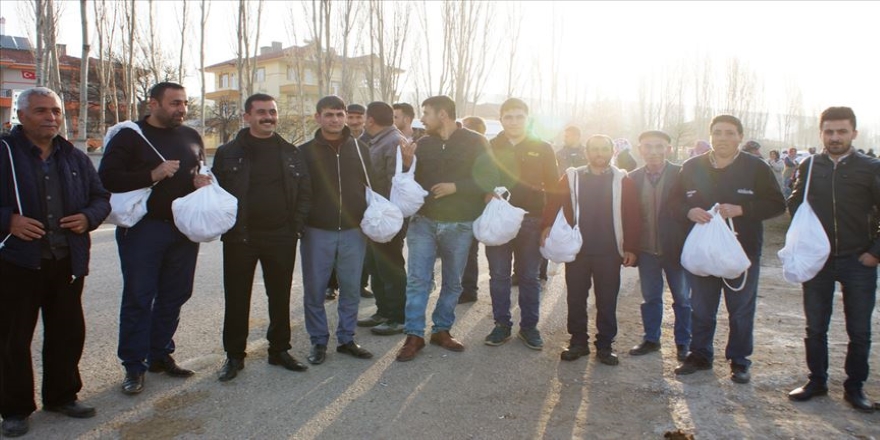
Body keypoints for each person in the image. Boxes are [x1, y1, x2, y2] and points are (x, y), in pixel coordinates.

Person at [0, 87, 110, 438]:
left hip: (66, 261)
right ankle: (15, 409)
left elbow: (101, 197)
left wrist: (87, 217)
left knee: (67, 333)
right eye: (41, 111)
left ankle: (62, 396)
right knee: (12, 340)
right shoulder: (4, 152)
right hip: (17, 262)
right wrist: (9, 221)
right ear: (20, 115)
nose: (51, 118)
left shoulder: (74, 156)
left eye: (56, 112)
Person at [99, 82, 212, 395]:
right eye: (175, 103)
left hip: (184, 228)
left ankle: (160, 354)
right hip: (143, 229)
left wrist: (199, 182)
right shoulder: (130, 135)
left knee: (176, 293)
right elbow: (106, 179)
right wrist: (151, 175)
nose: (182, 109)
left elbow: (196, 170)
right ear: (153, 103)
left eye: (185, 103)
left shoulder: (190, 136)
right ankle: (134, 366)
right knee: (139, 296)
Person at [673, 115, 785, 384]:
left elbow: (777, 204)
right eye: (718, 133)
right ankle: (700, 354)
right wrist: (689, 211)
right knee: (701, 307)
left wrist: (744, 209)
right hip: (703, 253)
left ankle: (739, 360)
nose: (723, 138)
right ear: (710, 136)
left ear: (739, 137)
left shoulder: (756, 168)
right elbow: (672, 203)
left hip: (741, 252)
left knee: (741, 309)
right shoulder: (691, 167)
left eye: (729, 133)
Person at [211, 94, 311, 382]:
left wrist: (296, 226)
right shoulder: (227, 152)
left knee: (280, 297)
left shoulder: (292, 152)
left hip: (282, 236)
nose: (268, 117)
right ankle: (234, 356)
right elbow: (216, 194)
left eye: (272, 112)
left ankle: (279, 350)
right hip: (240, 238)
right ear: (247, 116)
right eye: (261, 112)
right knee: (237, 298)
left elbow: (305, 191)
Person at [786, 107, 880, 412]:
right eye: (829, 131)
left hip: (858, 260)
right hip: (818, 262)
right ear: (821, 133)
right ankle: (817, 380)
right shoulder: (810, 165)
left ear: (854, 133)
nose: (835, 137)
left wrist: (875, 253)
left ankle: (855, 387)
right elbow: (796, 205)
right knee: (815, 326)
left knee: (860, 330)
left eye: (841, 131)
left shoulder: (871, 167)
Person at [395, 95, 497, 362]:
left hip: (461, 223)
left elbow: (490, 178)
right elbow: (411, 183)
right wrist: (407, 165)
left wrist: (457, 187)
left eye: (426, 113)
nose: (422, 119)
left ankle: (442, 330)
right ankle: (414, 335)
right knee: (418, 280)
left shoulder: (476, 141)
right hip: (423, 221)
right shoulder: (423, 143)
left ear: (442, 115)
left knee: (453, 281)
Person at [542, 135, 640, 366]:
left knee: (607, 300)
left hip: (609, 251)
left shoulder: (622, 180)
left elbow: (633, 215)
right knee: (576, 297)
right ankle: (578, 342)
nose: (599, 154)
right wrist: (546, 225)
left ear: (612, 151)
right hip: (578, 250)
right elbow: (554, 202)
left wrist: (631, 247)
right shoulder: (572, 176)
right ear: (586, 152)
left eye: (604, 149)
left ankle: (605, 346)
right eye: (594, 149)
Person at [299, 95, 374, 365]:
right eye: (329, 114)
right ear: (318, 117)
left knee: (352, 288)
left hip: (354, 230)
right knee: (315, 289)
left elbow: (371, 186)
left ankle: (346, 338)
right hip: (316, 230)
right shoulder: (305, 152)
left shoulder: (360, 149)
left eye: (339, 114)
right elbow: (299, 192)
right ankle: (318, 341)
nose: (335, 120)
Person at [482, 99, 557, 350]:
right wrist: (484, 194)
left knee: (529, 276)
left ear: (528, 119)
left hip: (531, 220)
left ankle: (529, 328)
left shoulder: (543, 147)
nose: (514, 121)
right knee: (499, 275)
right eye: (508, 117)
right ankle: (501, 325)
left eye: (519, 116)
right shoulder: (490, 146)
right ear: (501, 119)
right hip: (499, 220)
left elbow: (554, 187)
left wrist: (549, 223)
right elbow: (478, 178)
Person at [627, 130, 691, 362]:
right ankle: (651, 339)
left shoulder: (682, 174)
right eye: (647, 147)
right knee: (650, 297)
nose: (653, 152)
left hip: (676, 249)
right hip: (647, 251)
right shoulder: (632, 178)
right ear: (640, 149)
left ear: (668, 149)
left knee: (682, 298)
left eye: (659, 146)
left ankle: (684, 343)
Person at [355, 101, 408, 336]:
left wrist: (382, 211)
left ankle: (398, 317)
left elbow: (394, 183)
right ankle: (383, 311)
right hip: (375, 214)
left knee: (391, 267)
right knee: (375, 265)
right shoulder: (375, 140)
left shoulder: (394, 142)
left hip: (387, 216)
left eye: (364, 116)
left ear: (371, 120)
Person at [458, 116, 488, 304]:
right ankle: (466, 288)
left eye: (466, 128)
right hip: (466, 205)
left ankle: (468, 289)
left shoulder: (480, 149)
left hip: (474, 206)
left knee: (468, 251)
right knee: (466, 251)